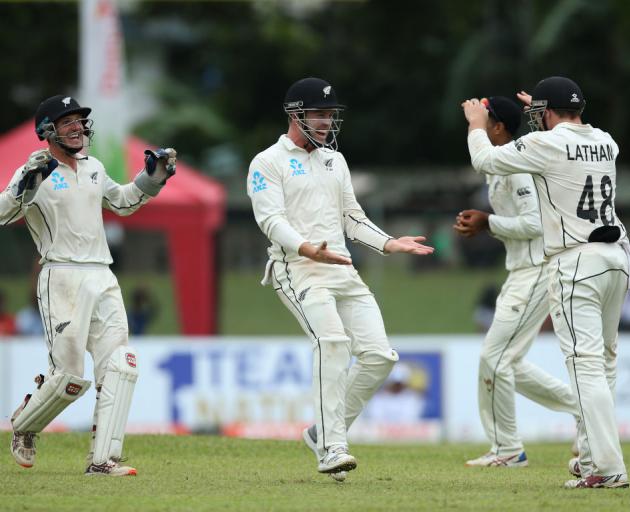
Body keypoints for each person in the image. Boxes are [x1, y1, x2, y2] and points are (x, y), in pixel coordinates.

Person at [247, 77, 434, 481]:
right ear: (296, 114)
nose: (327, 122)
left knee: (379, 357)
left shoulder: (336, 161)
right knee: (331, 344)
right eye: (319, 114)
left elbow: (352, 217)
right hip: (297, 270)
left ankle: (320, 433)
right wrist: (305, 248)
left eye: (331, 115)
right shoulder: (267, 161)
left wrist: (389, 243)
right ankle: (334, 447)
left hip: (342, 268)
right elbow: (270, 219)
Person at [462, 77, 629, 488]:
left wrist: (476, 125)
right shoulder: (607, 142)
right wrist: (547, 111)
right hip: (616, 260)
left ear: (548, 114)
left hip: (576, 263)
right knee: (603, 367)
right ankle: (592, 459)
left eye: (541, 114)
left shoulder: (547, 144)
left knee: (585, 368)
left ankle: (606, 469)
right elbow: (570, 136)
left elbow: (485, 160)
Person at [0, 94, 176, 476]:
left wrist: (153, 177)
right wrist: (25, 184)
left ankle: (102, 461)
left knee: (120, 365)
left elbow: (124, 203)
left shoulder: (94, 166)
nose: (78, 127)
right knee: (68, 378)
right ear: (47, 131)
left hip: (103, 275)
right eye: (68, 122)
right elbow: (4, 212)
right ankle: (25, 426)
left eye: (80, 121)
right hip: (60, 276)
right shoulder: (34, 170)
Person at [454, 96, 577, 468]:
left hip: (538, 269)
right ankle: (586, 409)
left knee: (495, 358)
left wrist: (487, 222)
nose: (474, 125)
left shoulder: (518, 167)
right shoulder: (504, 164)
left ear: (498, 128)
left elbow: (536, 225)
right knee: (511, 364)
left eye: (482, 120)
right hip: (521, 270)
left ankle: (507, 449)